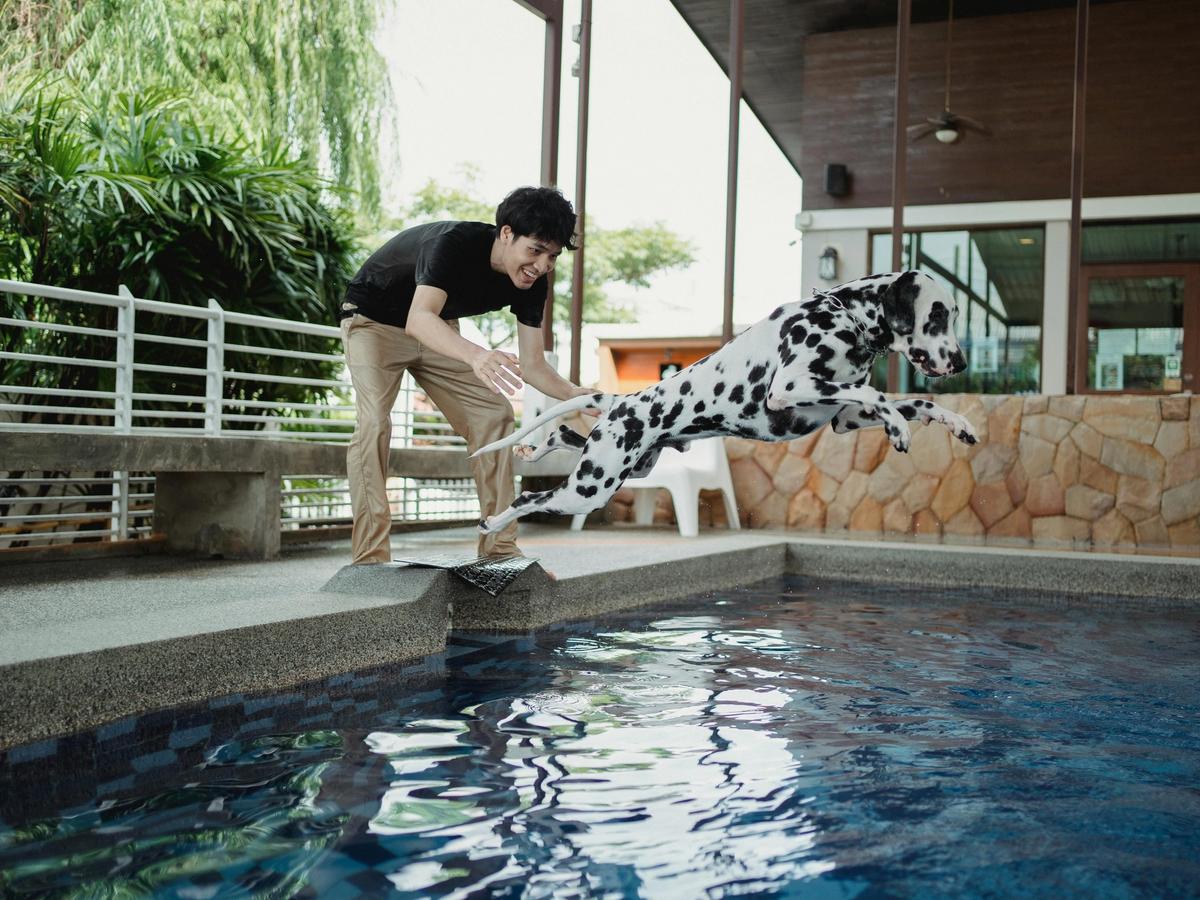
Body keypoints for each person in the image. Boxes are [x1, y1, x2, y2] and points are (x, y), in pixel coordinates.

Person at [338, 185, 592, 564]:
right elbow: (418, 318)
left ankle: (499, 547)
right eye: (535, 250)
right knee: (374, 421)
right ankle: (371, 557)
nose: (541, 265)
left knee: (494, 415)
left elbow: (534, 366)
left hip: (435, 327)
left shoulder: (532, 282)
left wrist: (580, 396)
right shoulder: (451, 244)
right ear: (506, 233)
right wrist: (477, 355)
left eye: (552, 256)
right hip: (373, 320)